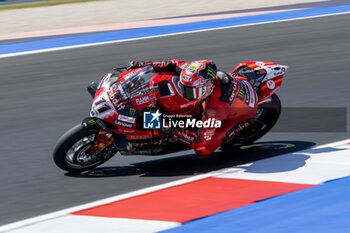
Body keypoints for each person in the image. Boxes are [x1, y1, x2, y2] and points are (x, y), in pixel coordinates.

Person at [126, 59, 258, 157]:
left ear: (207, 87)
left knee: (203, 150)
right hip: (236, 88)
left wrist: (174, 129)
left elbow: (201, 140)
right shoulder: (191, 71)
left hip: (244, 114)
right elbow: (171, 64)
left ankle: (242, 125)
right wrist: (143, 65)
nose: (186, 94)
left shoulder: (214, 108)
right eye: (184, 88)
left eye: (192, 92)